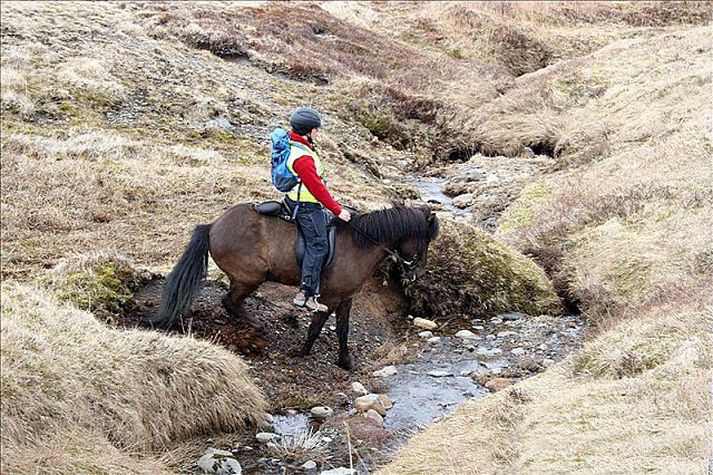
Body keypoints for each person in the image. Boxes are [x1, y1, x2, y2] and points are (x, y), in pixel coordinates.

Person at [285, 107, 351, 312]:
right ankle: (306, 292)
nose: (317, 132)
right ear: (308, 131)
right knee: (319, 245)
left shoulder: (297, 145)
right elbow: (315, 187)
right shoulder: (302, 156)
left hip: (300, 200)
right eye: (316, 129)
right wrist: (337, 209)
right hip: (305, 205)